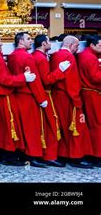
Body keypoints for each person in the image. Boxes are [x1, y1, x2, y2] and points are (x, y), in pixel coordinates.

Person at [0, 34, 34, 166]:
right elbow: (4, 79)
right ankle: (9, 156)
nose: (1, 44)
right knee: (9, 127)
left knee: (0, 129)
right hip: (4, 96)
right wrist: (23, 78)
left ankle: (1, 154)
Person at [50, 36, 93, 168]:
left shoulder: (55, 55)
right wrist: (76, 100)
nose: (77, 48)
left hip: (57, 95)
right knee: (76, 127)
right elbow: (72, 81)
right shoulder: (69, 57)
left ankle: (64, 154)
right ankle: (76, 157)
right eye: (76, 46)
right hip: (68, 97)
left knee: (63, 127)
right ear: (70, 44)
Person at [7, 33, 49, 168]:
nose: (31, 41)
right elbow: (34, 80)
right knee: (32, 128)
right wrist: (41, 99)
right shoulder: (26, 56)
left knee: (22, 128)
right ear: (20, 41)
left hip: (17, 95)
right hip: (28, 96)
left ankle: (24, 153)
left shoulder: (12, 55)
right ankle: (33, 155)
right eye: (28, 39)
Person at [32, 34, 69, 167]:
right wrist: (60, 71)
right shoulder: (40, 58)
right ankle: (50, 155)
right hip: (45, 94)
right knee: (51, 125)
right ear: (43, 44)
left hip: (42, 94)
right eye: (48, 41)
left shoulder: (38, 56)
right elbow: (46, 79)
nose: (50, 44)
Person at [78, 35, 101, 167]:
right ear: (92, 45)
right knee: (97, 125)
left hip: (86, 92)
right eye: (100, 45)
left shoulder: (84, 54)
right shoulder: (91, 58)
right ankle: (97, 155)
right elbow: (95, 78)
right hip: (93, 93)